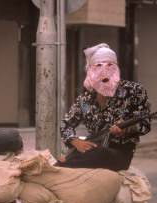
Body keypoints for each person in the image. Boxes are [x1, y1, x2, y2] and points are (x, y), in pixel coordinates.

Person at [58, 43, 152, 172]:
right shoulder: (85, 99)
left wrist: (127, 128)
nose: (104, 71)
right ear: (90, 71)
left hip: (119, 153)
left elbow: (145, 124)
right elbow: (65, 124)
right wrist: (76, 141)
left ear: (116, 69)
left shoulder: (135, 91)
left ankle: (59, 169)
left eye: (109, 66)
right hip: (91, 150)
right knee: (74, 157)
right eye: (98, 66)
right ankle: (58, 168)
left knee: (98, 154)